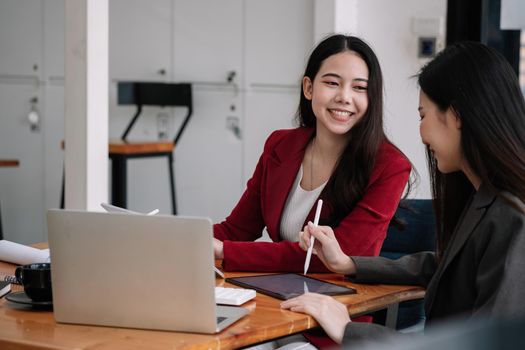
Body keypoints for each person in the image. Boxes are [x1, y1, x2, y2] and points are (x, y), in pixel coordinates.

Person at [281, 41, 525, 345]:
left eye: (423, 115)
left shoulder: (512, 218)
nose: (421, 134)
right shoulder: (486, 201)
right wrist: (349, 264)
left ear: (458, 115)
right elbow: (444, 265)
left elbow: (488, 344)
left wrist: (348, 328)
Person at [213, 34, 412, 273]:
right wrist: (183, 239)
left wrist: (224, 250)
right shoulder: (280, 145)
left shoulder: (390, 165)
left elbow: (330, 258)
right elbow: (235, 230)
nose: (344, 98)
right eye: (331, 83)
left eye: (359, 88)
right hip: (274, 291)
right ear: (308, 88)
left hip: (337, 302)